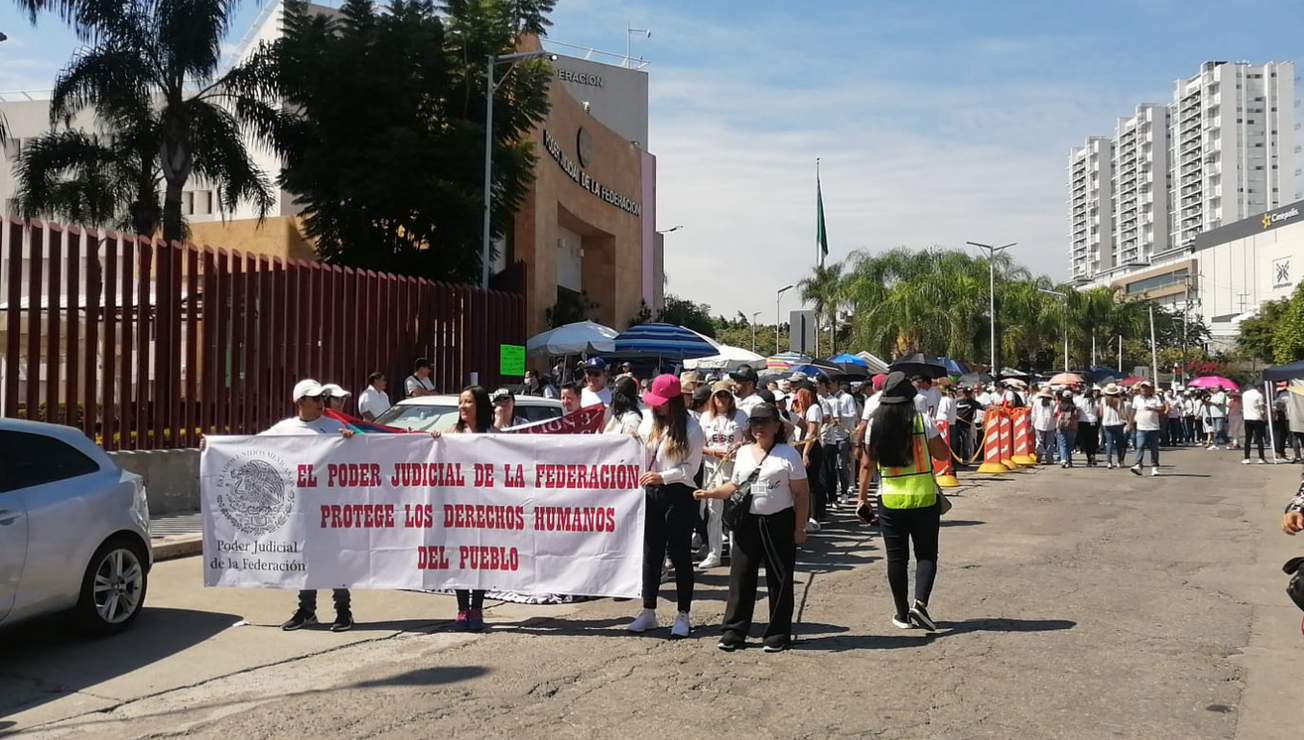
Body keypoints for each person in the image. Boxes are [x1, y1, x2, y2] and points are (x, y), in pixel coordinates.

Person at [695, 403, 809, 652]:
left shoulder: (789, 455)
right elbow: (736, 486)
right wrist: (711, 493)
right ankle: (734, 631)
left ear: (777, 426)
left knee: (779, 578)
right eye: (755, 422)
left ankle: (778, 632)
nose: (759, 427)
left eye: (765, 422)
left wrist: (800, 528)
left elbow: (801, 494)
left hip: (779, 521)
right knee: (741, 577)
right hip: (748, 522)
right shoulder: (744, 453)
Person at [264, 379, 358, 633]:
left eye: (322, 399)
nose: (320, 403)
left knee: (335, 557)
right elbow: (250, 447)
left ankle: (343, 611)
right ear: (300, 402)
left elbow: (362, 453)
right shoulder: (284, 429)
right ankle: (307, 610)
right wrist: (212, 447)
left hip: (331, 507)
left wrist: (350, 441)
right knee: (305, 557)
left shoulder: (335, 427)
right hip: (301, 509)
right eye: (315, 399)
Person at [860, 371, 950, 632]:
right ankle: (920, 605)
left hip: (890, 500)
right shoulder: (923, 421)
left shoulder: (875, 425)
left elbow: (866, 466)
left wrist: (861, 499)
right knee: (926, 555)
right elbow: (943, 455)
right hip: (923, 498)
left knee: (896, 559)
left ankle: (902, 614)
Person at [628, 375, 706, 638]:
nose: (655, 407)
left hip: (679, 494)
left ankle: (683, 613)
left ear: (674, 401)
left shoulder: (692, 429)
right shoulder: (648, 421)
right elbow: (638, 449)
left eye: (661, 403)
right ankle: (648, 609)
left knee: (680, 553)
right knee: (651, 553)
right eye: (653, 402)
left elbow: (691, 469)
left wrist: (664, 476)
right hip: (651, 492)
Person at [434, 385, 495, 631]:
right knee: (459, 556)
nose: (462, 407)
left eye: (468, 402)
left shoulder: (494, 434)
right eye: (460, 402)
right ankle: (461, 609)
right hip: (456, 506)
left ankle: (477, 608)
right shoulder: (450, 432)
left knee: (480, 557)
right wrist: (433, 442)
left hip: (485, 507)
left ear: (479, 405)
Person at [698, 380, 748, 570]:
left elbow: (750, 438)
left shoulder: (741, 416)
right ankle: (714, 552)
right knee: (713, 512)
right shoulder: (705, 418)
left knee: (735, 512)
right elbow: (697, 445)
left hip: (735, 469)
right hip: (713, 469)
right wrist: (712, 452)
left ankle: (737, 552)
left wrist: (739, 445)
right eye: (719, 395)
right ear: (713, 397)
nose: (722, 399)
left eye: (726, 395)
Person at [790, 384, 825, 532]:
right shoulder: (808, 409)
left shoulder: (814, 409)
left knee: (812, 483)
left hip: (812, 448)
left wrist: (805, 453)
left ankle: (814, 517)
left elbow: (812, 432)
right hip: (804, 446)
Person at [816, 376, 847, 511]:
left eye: (818, 383)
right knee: (820, 471)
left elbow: (836, 419)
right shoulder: (815, 399)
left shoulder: (833, 401)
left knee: (830, 470)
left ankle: (833, 497)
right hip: (817, 440)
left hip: (830, 439)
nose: (816, 386)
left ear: (824, 385)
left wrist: (827, 424)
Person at [1130, 381, 1166, 477]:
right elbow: (1133, 411)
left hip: (1153, 427)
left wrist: (1152, 409)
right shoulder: (1137, 398)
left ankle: (1154, 467)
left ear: (1150, 389)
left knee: (1154, 448)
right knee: (1140, 446)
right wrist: (1130, 423)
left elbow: (1162, 410)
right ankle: (1138, 465)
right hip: (1141, 427)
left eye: (1146, 388)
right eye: (1142, 387)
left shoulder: (1156, 398)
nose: (1144, 389)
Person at [1100, 384, 1128, 469]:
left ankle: (1109, 462)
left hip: (1107, 423)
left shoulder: (1103, 400)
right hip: (1118, 423)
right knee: (1119, 443)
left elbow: (1101, 413)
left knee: (1109, 443)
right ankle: (1119, 461)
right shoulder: (1120, 400)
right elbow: (1123, 413)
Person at [1241, 384, 1268, 464]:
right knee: (1259, 438)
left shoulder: (1244, 394)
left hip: (1247, 418)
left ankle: (1247, 457)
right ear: (1258, 388)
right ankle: (1261, 458)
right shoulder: (1259, 395)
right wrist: (1264, 415)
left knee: (1248, 439)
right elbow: (1262, 407)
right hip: (1257, 418)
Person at [1054, 389, 1081, 468]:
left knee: (1062, 444)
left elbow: (1054, 414)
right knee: (1069, 444)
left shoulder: (1060, 405)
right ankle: (1069, 460)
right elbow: (1076, 416)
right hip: (1072, 427)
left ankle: (1063, 460)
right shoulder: (1073, 406)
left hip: (1061, 426)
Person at [1074, 387, 1101, 467]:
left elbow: (1077, 411)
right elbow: (1099, 413)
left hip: (1083, 422)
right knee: (1093, 440)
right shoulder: (1095, 402)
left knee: (1086, 441)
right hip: (1094, 422)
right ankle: (1093, 454)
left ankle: (1089, 458)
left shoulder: (1081, 402)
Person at [1030, 388, 1057, 465]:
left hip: (1038, 423)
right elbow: (1055, 414)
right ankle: (1049, 459)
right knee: (1050, 442)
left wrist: (1032, 423)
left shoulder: (1037, 402)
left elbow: (1033, 414)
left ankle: (1039, 456)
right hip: (1050, 424)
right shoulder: (1053, 402)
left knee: (1039, 441)